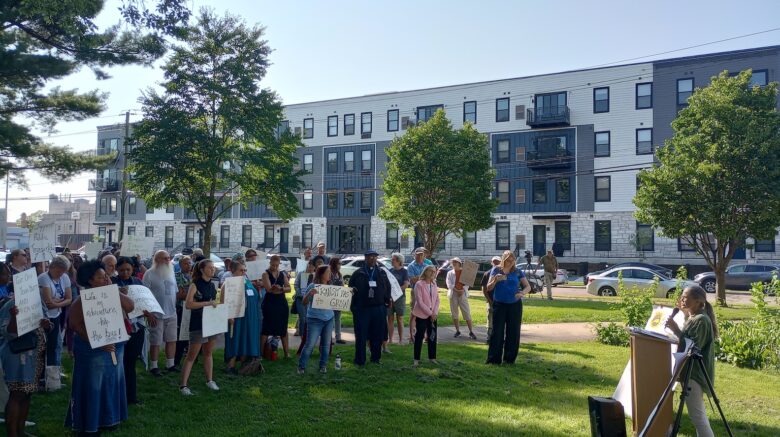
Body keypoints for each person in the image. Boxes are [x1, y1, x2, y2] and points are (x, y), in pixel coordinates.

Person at [67, 260, 135, 434]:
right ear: (90, 281)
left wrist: (113, 291)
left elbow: (130, 306)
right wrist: (96, 341)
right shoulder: (82, 300)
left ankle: (110, 418)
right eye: (101, 277)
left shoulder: (112, 291)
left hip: (115, 346)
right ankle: (90, 421)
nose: (106, 279)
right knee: (93, 385)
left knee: (112, 382)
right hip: (92, 350)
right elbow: (74, 324)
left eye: (106, 276)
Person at [665, 285, 717, 437]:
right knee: (697, 416)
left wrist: (676, 330)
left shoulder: (701, 320)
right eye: (682, 295)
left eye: (686, 296)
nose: (682, 298)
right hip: (688, 371)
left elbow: (692, 346)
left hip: (695, 374)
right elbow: (686, 338)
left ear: (697, 301)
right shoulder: (693, 318)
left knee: (697, 416)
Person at [0, 290, 51, 437]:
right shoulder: (10, 305)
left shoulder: (38, 302)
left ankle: (21, 431)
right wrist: (14, 317)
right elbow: (7, 333)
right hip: (18, 356)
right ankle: (12, 433)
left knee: (27, 393)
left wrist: (47, 324)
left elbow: (48, 324)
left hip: (35, 354)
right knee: (17, 394)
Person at [113, 257, 157, 405]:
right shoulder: (112, 283)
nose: (125, 272)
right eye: (122, 270)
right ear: (116, 270)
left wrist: (148, 313)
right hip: (120, 327)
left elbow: (143, 302)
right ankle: (117, 394)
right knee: (119, 362)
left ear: (133, 269)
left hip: (137, 327)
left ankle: (131, 397)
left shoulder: (138, 282)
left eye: (128, 270)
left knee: (130, 363)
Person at [180, 259, 222, 396]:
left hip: (211, 322)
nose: (213, 270)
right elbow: (188, 304)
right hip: (198, 323)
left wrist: (215, 305)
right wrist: (206, 304)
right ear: (202, 269)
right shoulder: (195, 285)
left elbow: (212, 302)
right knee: (192, 355)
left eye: (213, 268)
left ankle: (210, 380)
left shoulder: (212, 285)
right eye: (210, 268)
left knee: (208, 353)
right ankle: (183, 385)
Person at [485, 251, 530, 365]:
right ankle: (493, 359)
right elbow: (488, 288)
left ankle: (509, 360)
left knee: (513, 332)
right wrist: (495, 280)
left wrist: (522, 293)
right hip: (499, 304)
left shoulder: (517, 271)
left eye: (512, 260)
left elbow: (528, 286)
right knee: (497, 332)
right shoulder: (496, 270)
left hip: (514, 305)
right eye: (508, 260)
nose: (510, 263)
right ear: (503, 260)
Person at [348, 249, 391, 366]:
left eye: (374, 257)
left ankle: (376, 358)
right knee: (361, 335)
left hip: (379, 308)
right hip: (362, 309)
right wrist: (354, 307)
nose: (372, 259)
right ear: (365, 258)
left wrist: (387, 300)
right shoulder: (358, 273)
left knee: (377, 335)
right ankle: (360, 360)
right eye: (370, 257)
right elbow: (350, 290)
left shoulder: (382, 272)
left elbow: (388, 287)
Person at [38, 255, 72, 390]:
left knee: (54, 346)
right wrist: (59, 302)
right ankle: (41, 377)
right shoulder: (43, 278)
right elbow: (47, 304)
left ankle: (52, 379)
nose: (61, 274)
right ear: (51, 267)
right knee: (43, 347)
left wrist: (57, 302)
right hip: (44, 317)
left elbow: (69, 298)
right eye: (58, 271)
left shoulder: (64, 278)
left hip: (56, 315)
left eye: (63, 272)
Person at [143, 250, 179, 376]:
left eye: (168, 258)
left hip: (172, 312)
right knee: (156, 341)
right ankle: (154, 366)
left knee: (172, 339)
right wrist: (149, 313)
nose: (168, 260)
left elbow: (175, 291)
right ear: (157, 260)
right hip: (156, 314)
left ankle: (170, 364)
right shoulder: (149, 274)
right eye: (164, 258)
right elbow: (144, 296)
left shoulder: (171, 272)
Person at [224, 261, 262, 375]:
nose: (244, 272)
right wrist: (228, 315)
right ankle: (231, 364)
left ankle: (245, 364)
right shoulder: (229, 283)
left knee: (246, 338)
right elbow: (223, 301)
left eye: (245, 270)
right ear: (233, 271)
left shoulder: (247, 281)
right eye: (241, 270)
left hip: (250, 316)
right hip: (236, 316)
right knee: (235, 338)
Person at [298, 265, 336, 374]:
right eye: (328, 272)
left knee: (326, 344)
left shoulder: (331, 287)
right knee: (310, 344)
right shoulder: (312, 285)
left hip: (329, 318)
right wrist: (310, 294)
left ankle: (323, 366)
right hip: (314, 319)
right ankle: (301, 367)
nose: (330, 274)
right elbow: (304, 302)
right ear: (321, 274)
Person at [261, 255, 292, 359]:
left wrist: (281, 289)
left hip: (281, 303)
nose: (274, 267)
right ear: (270, 263)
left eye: (276, 265)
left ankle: (286, 353)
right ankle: (260, 353)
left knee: (283, 328)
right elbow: (269, 289)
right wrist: (277, 288)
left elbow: (289, 288)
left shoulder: (282, 274)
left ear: (279, 264)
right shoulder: (265, 274)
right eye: (273, 265)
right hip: (270, 303)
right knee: (266, 328)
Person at [412, 265, 440, 367]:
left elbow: (437, 300)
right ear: (425, 271)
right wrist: (430, 313)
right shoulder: (419, 284)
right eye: (431, 271)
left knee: (432, 336)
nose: (433, 273)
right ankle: (416, 359)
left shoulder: (434, 284)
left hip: (433, 315)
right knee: (419, 336)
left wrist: (435, 313)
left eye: (434, 271)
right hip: (422, 315)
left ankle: (432, 358)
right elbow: (419, 301)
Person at [446, 258, 476, 340]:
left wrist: (462, 290)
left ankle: (471, 331)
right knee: (454, 313)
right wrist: (456, 290)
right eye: (453, 262)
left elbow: (468, 283)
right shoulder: (450, 273)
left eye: (456, 262)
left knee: (466, 312)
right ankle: (457, 331)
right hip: (453, 294)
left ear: (459, 263)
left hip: (463, 294)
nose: (454, 263)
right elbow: (449, 284)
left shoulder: (465, 272)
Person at [174, 256, 193, 368]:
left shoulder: (193, 277)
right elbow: (179, 295)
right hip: (181, 309)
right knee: (180, 335)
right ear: (180, 265)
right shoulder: (176, 276)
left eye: (190, 263)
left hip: (192, 309)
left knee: (191, 335)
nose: (188, 265)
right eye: (186, 263)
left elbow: (197, 293)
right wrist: (190, 293)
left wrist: (186, 292)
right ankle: (176, 360)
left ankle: (190, 358)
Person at [386, 253, 409, 346]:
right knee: (390, 318)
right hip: (390, 298)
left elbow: (406, 285)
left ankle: (400, 340)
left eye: (393, 259)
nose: (392, 261)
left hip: (400, 298)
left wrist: (396, 293)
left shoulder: (404, 271)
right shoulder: (390, 270)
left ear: (399, 261)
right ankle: (390, 340)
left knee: (400, 318)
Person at [481, 256, 502, 344]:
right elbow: (484, 289)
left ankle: (499, 338)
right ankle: (489, 337)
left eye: (498, 262)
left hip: (501, 301)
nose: (496, 263)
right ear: (491, 262)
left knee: (500, 320)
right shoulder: (487, 273)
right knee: (490, 319)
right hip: (491, 300)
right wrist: (489, 300)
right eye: (494, 262)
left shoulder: (503, 274)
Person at [293, 259, 315, 338]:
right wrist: (300, 293)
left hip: (311, 300)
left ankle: (308, 334)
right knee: (302, 317)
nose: (310, 268)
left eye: (312, 266)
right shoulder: (301, 274)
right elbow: (296, 285)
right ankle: (302, 334)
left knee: (309, 317)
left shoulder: (315, 275)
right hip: (300, 299)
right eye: (309, 266)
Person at [328, 257, 346, 344]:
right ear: (334, 264)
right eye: (338, 264)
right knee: (330, 319)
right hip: (329, 300)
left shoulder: (339, 274)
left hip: (338, 300)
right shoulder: (329, 273)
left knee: (338, 318)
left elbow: (342, 285)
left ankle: (338, 337)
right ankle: (329, 338)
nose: (340, 266)